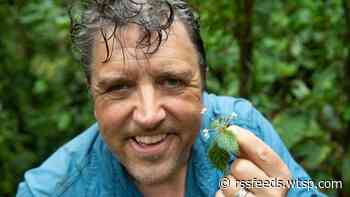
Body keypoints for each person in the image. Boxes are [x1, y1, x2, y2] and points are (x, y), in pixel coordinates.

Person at [17, 0, 326, 196]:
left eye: (172, 81)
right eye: (118, 88)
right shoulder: (49, 191)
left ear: (203, 81)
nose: (149, 115)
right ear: (92, 93)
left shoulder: (240, 127)